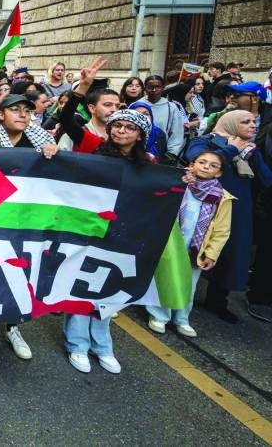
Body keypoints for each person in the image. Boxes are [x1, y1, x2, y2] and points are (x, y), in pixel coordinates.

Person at [57, 57, 156, 374]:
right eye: (118, 125)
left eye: (129, 127)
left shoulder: (150, 163)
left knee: (110, 288)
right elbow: (67, 118)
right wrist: (82, 88)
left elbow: (160, 192)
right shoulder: (92, 145)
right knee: (83, 284)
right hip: (89, 226)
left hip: (123, 232)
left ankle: (103, 345)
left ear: (139, 135)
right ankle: (77, 344)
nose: (122, 130)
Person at [0, 94, 57, 360]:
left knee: (22, 268)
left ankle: (12, 325)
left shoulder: (39, 137)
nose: (22, 115)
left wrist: (55, 152)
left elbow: (57, 158)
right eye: (15, 110)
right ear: (1, 114)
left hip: (27, 215)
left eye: (27, 111)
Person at [188, 111, 272, 322]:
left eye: (254, 121)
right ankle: (177, 299)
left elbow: (266, 179)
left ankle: (217, 301)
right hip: (202, 205)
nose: (253, 125)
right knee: (192, 249)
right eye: (246, 122)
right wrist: (232, 149)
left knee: (230, 252)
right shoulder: (206, 141)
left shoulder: (251, 149)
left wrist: (251, 154)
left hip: (237, 208)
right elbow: (195, 160)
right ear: (231, 123)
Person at [145, 149, 233, 337]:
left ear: (219, 173)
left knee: (189, 284)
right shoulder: (179, 183)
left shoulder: (222, 197)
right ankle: (159, 316)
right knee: (164, 278)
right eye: (202, 162)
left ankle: (182, 319)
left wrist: (211, 253)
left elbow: (222, 230)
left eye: (213, 165)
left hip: (197, 246)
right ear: (192, 165)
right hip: (171, 241)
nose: (206, 167)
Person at [144, 75, 186, 159]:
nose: (154, 90)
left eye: (157, 87)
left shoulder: (171, 107)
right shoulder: (137, 105)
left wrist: (172, 153)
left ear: (163, 88)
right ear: (145, 88)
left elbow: (176, 132)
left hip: (161, 151)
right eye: (150, 87)